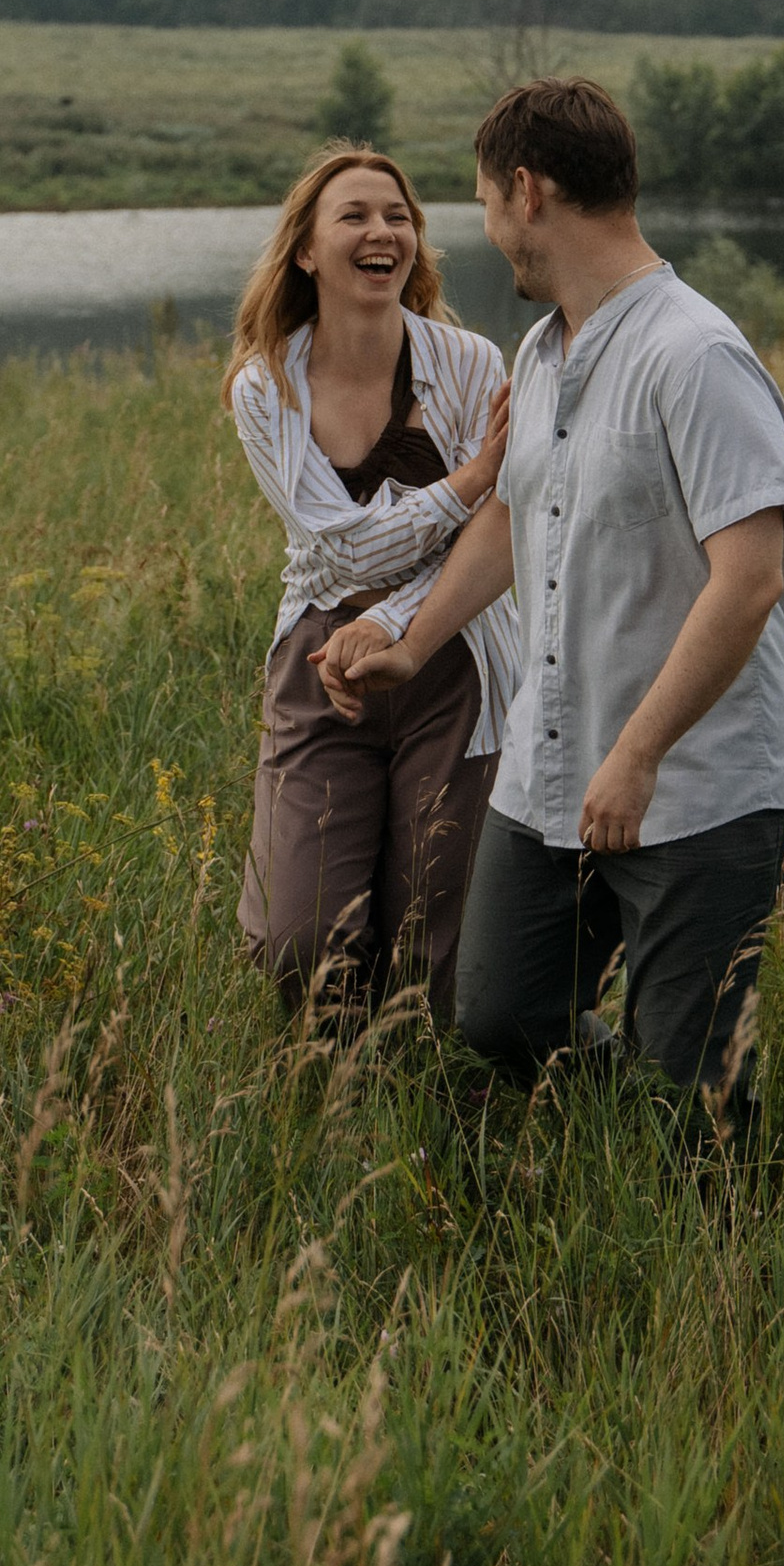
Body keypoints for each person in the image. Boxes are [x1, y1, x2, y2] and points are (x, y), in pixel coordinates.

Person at [314, 76, 784, 1129]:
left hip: (696, 789)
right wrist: (409, 638)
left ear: (527, 191)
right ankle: (622, 1127)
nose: (489, 231)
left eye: (487, 203)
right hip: (548, 781)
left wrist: (639, 752)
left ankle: (708, 1235)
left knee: (695, 1098)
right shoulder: (542, 353)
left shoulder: (694, 353)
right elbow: (507, 516)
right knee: (498, 1015)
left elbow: (751, 578)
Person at [226, 144, 517, 1027]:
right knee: (299, 938)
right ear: (307, 251)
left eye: (398, 217)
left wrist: (391, 623)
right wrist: (470, 480)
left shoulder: (472, 364)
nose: (382, 231)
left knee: (432, 936)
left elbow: (501, 538)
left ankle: (423, 1115)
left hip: (456, 662)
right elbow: (341, 553)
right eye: (353, 216)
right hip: (321, 668)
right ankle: (329, 1101)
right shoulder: (265, 383)